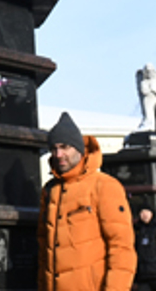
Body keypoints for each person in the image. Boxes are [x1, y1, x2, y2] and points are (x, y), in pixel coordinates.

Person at [37, 112, 135, 291]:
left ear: (79, 149)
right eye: (54, 148)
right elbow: (44, 249)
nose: (58, 154)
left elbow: (121, 248)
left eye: (65, 147)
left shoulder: (104, 186)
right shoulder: (49, 190)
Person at [130, 208, 156, 291]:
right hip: (142, 275)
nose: (144, 215)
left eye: (147, 212)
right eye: (142, 212)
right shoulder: (136, 231)